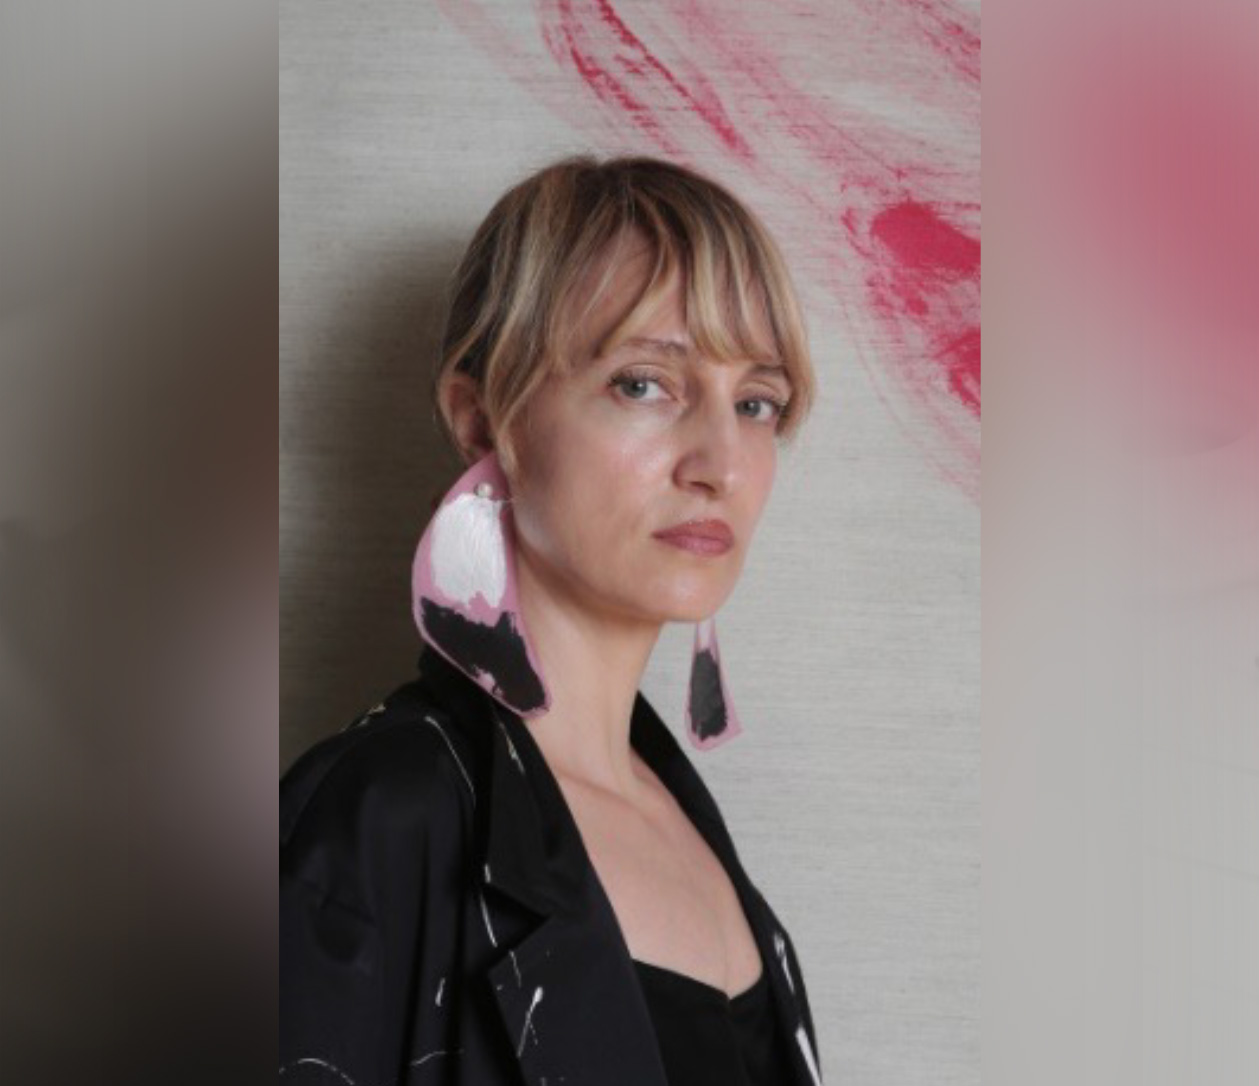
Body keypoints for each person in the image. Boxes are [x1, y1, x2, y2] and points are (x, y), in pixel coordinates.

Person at [280, 153, 824, 1085]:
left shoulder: (700, 843)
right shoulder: (380, 815)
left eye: (755, 402)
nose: (720, 464)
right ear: (485, 419)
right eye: (644, 384)